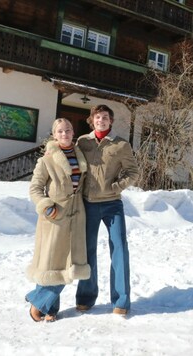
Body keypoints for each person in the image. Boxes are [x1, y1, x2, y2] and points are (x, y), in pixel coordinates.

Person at [75, 104, 140, 317]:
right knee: (87, 251)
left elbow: (132, 172)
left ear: (110, 121)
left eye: (105, 117)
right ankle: (86, 297)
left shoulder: (121, 144)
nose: (101, 120)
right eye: (97, 117)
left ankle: (121, 301)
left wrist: (115, 187)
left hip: (112, 204)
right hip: (88, 203)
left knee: (119, 250)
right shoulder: (82, 142)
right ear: (92, 120)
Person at [25, 118, 90, 322]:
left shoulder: (81, 156)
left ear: (73, 133)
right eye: (60, 131)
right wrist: (47, 207)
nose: (64, 134)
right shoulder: (46, 160)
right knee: (51, 262)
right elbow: (35, 189)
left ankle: (45, 306)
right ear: (54, 135)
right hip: (55, 216)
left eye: (68, 130)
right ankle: (46, 306)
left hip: (76, 215)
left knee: (68, 262)